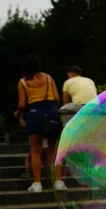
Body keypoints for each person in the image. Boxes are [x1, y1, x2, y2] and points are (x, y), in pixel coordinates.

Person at [16, 54, 66, 193]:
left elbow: (21, 104)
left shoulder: (23, 82)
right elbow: (56, 97)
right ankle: (57, 181)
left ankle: (37, 184)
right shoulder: (49, 78)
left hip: (34, 113)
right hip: (51, 111)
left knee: (35, 150)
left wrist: (19, 113)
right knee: (53, 150)